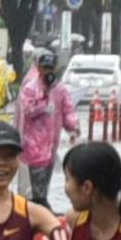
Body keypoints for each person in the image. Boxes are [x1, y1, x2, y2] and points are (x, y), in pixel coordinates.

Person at [17, 50, 79, 208]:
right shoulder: (31, 88)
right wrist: (43, 99)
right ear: (39, 68)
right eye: (45, 68)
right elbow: (27, 110)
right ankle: (41, 210)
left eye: (51, 68)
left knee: (44, 185)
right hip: (33, 145)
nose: (48, 72)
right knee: (37, 187)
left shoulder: (60, 89)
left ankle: (39, 207)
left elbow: (68, 110)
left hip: (51, 145)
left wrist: (73, 128)